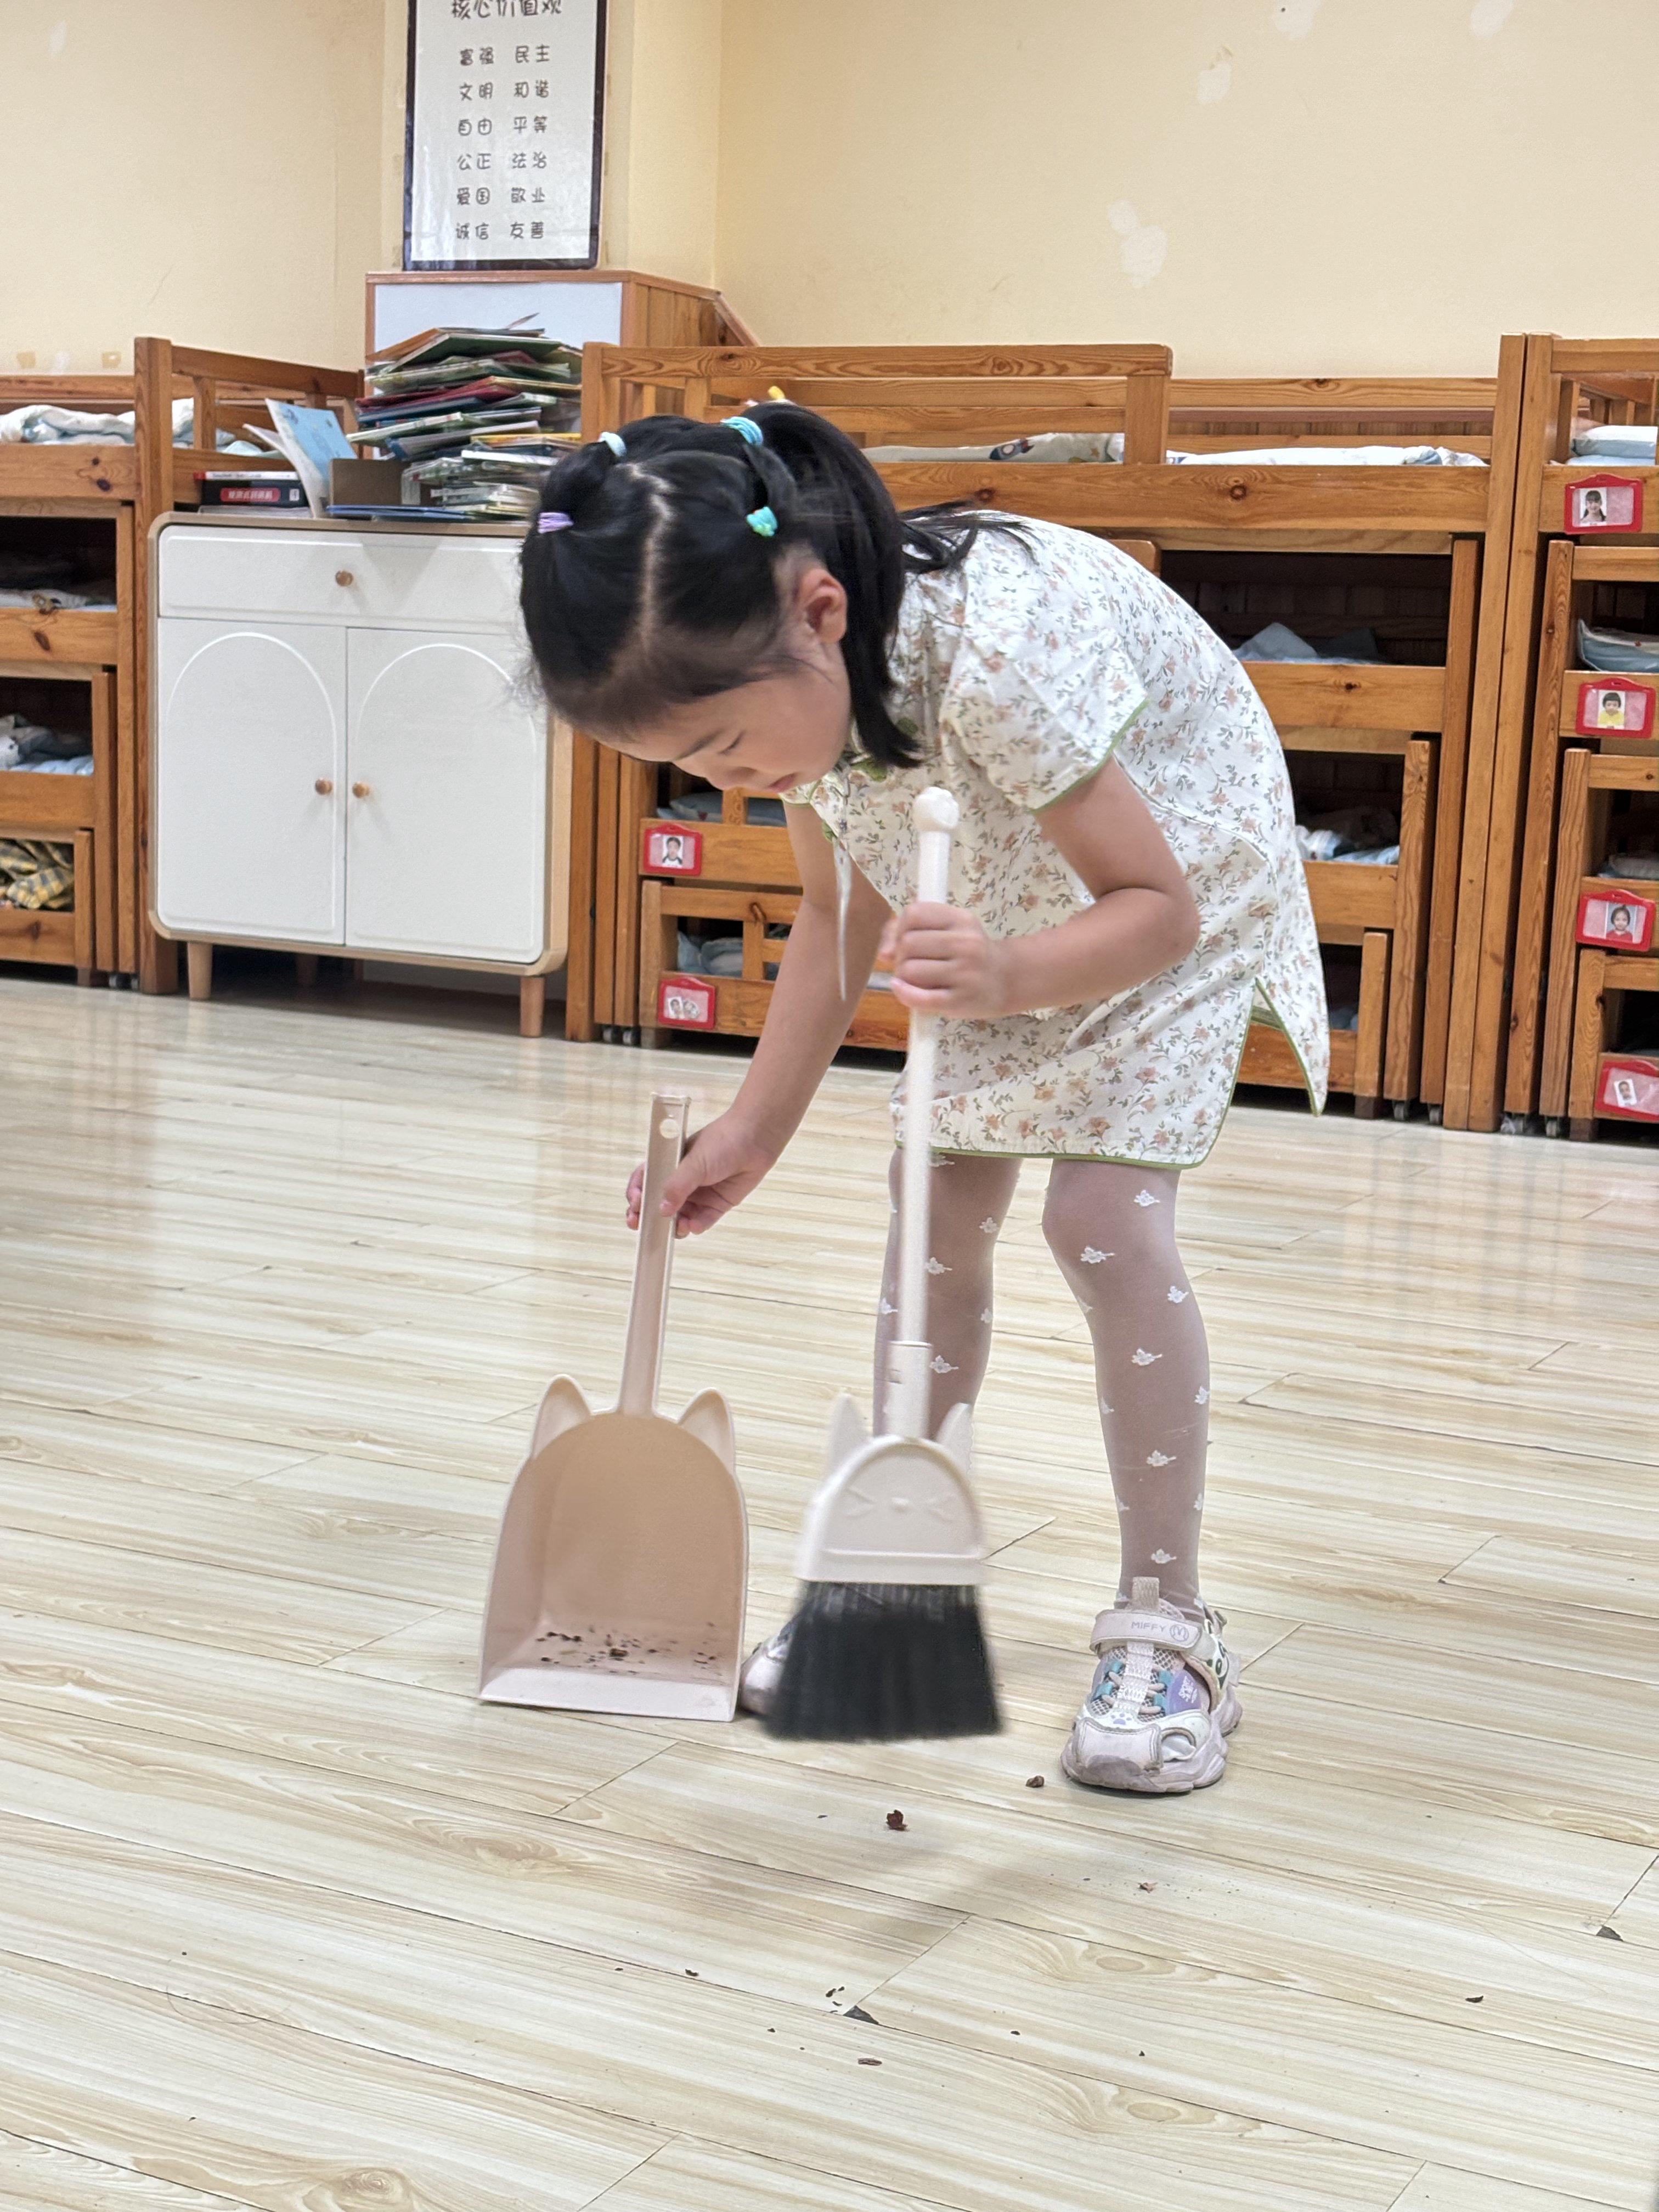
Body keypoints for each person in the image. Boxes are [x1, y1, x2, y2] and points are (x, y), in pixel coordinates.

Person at [520, 408, 1327, 1794]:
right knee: (930, 1216)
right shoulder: (801, 696)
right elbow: (834, 919)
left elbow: (1156, 907)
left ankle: (1167, 1619)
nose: (725, 779)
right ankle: (892, 1580)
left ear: (821, 613)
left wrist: (1008, 972)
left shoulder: (999, 656)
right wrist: (750, 1131)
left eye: (724, 742)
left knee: (1100, 1224)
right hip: (1004, 895)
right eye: (689, 765)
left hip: (1169, 881)